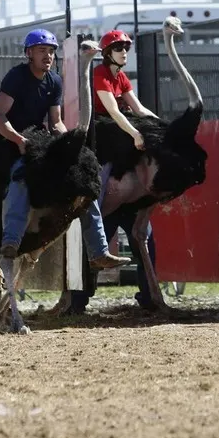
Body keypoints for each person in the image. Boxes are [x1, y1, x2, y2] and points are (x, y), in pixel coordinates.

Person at [0, 28, 130, 270]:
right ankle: (11, 241)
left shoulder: (54, 81)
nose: (48, 56)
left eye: (51, 52)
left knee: (84, 182)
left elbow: (55, 121)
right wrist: (18, 140)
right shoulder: (17, 77)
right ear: (29, 54)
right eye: (42, 51)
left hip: (39, 138)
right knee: (20, 176)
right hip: (12, 140)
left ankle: (98, 251)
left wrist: (70, 145)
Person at [69, 29, 162, 314]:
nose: (124, 52)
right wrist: (136, 133)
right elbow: (114, 112)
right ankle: (78, 301)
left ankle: (148, 296)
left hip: (121, 145)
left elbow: (138, 107)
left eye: (126, 48)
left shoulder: (121, 77)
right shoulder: (99, 75)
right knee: (95, 202)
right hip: (104, 143)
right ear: (107, 52)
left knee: (145, 237)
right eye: (119, 48)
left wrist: (165, 127)